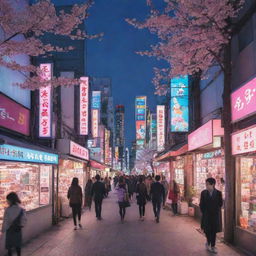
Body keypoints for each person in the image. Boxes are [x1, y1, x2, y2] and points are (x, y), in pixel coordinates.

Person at [200, 178, 223, 254]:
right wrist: (204, 212)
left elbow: (220, 204)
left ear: (212, 184)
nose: (206, 186)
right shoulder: (203, 193)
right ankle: (208, 241)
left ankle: (213, 246)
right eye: (206, 184)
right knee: (206, 230)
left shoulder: (218, 193)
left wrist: (215, 210)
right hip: (206, 215)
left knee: (213, 231)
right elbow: (201, 204)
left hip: (215, 216)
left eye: (207, 184)